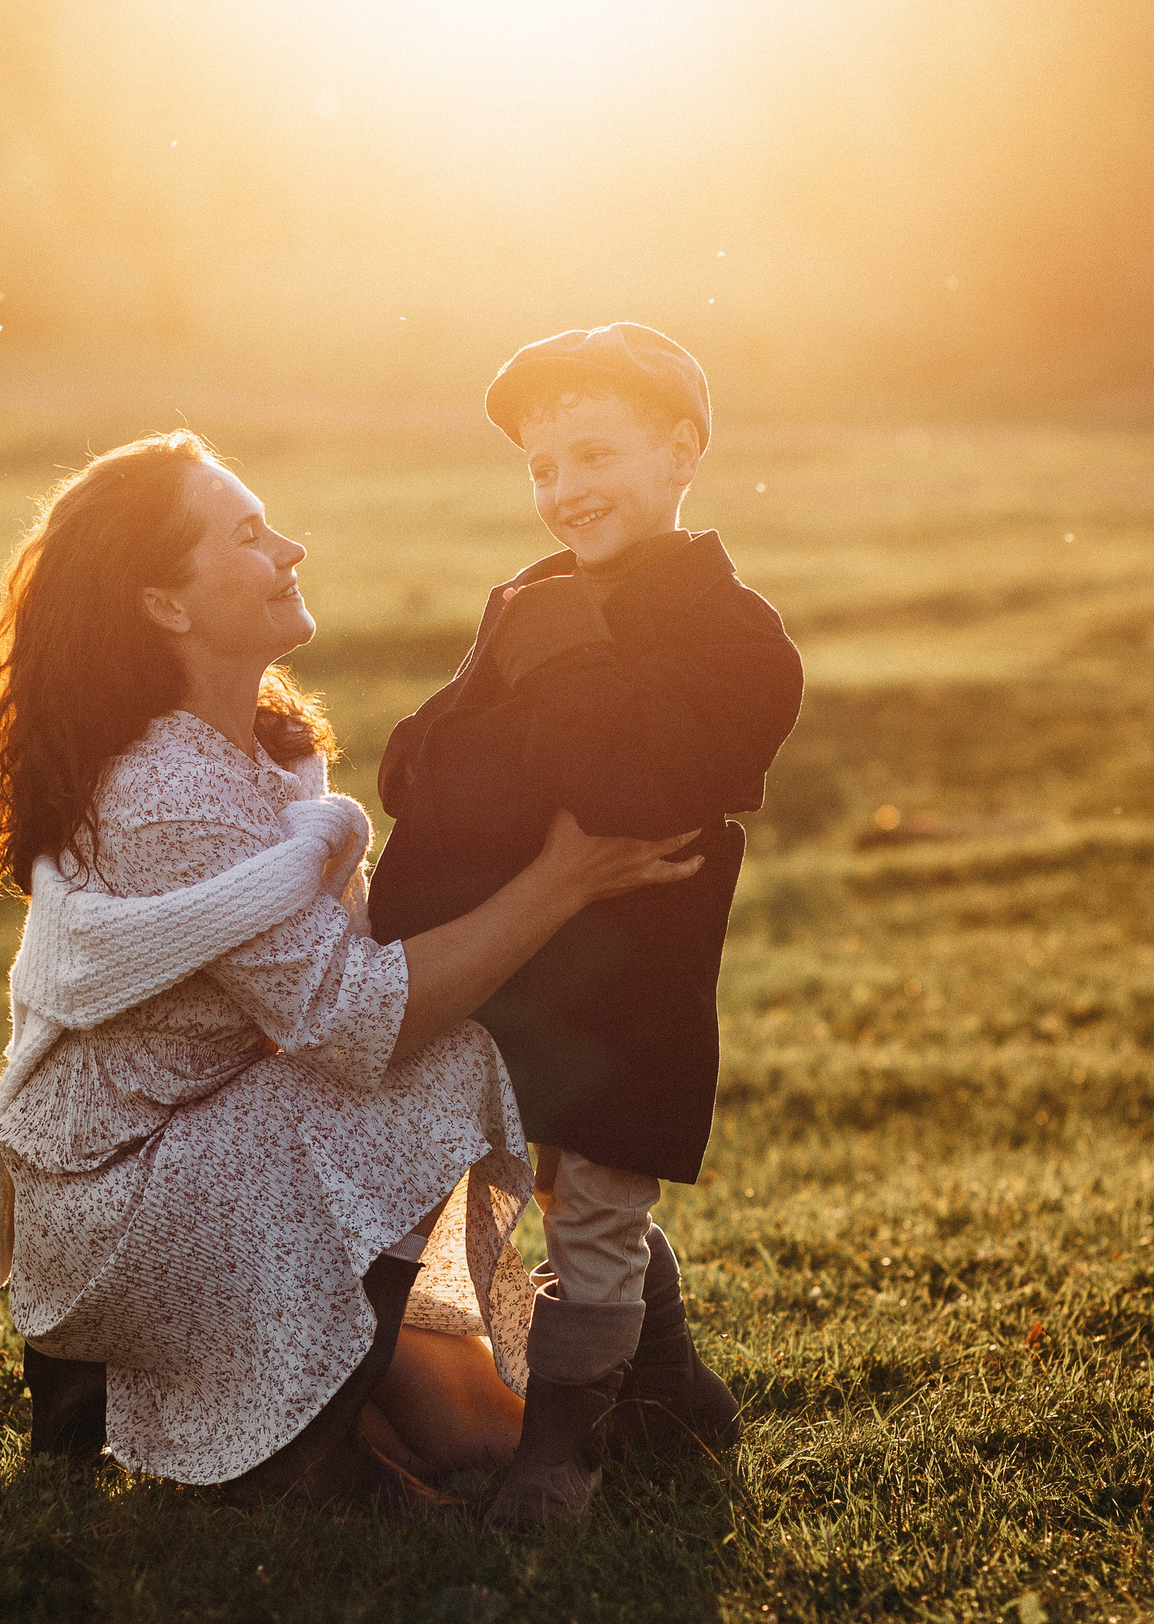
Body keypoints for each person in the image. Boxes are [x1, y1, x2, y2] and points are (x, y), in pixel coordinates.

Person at [0, 430, 701, 1505]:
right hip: (122, 1208)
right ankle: (307, 1447)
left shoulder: (265, 752)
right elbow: (361, 1022)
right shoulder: (170, 790)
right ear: (164, 604)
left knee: (489, 1440)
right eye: (250, 537)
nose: (292, 549)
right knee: (446, 1057)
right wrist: (561, 881)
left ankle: (617, 1348)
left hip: (214, 1149)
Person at [368, 323, 805, 1525]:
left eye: (593, 453)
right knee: (534, 1181)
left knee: (600, 1198)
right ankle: (672, 1392)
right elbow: (416, 758)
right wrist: (483, 722)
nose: (564, 491)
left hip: (626, 989)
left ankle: (562, 1456)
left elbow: (634, 780)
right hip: (505, 961)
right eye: (541, 468)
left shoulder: (735, 638)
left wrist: (548, 666)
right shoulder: (529, 602)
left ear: (680, 453)